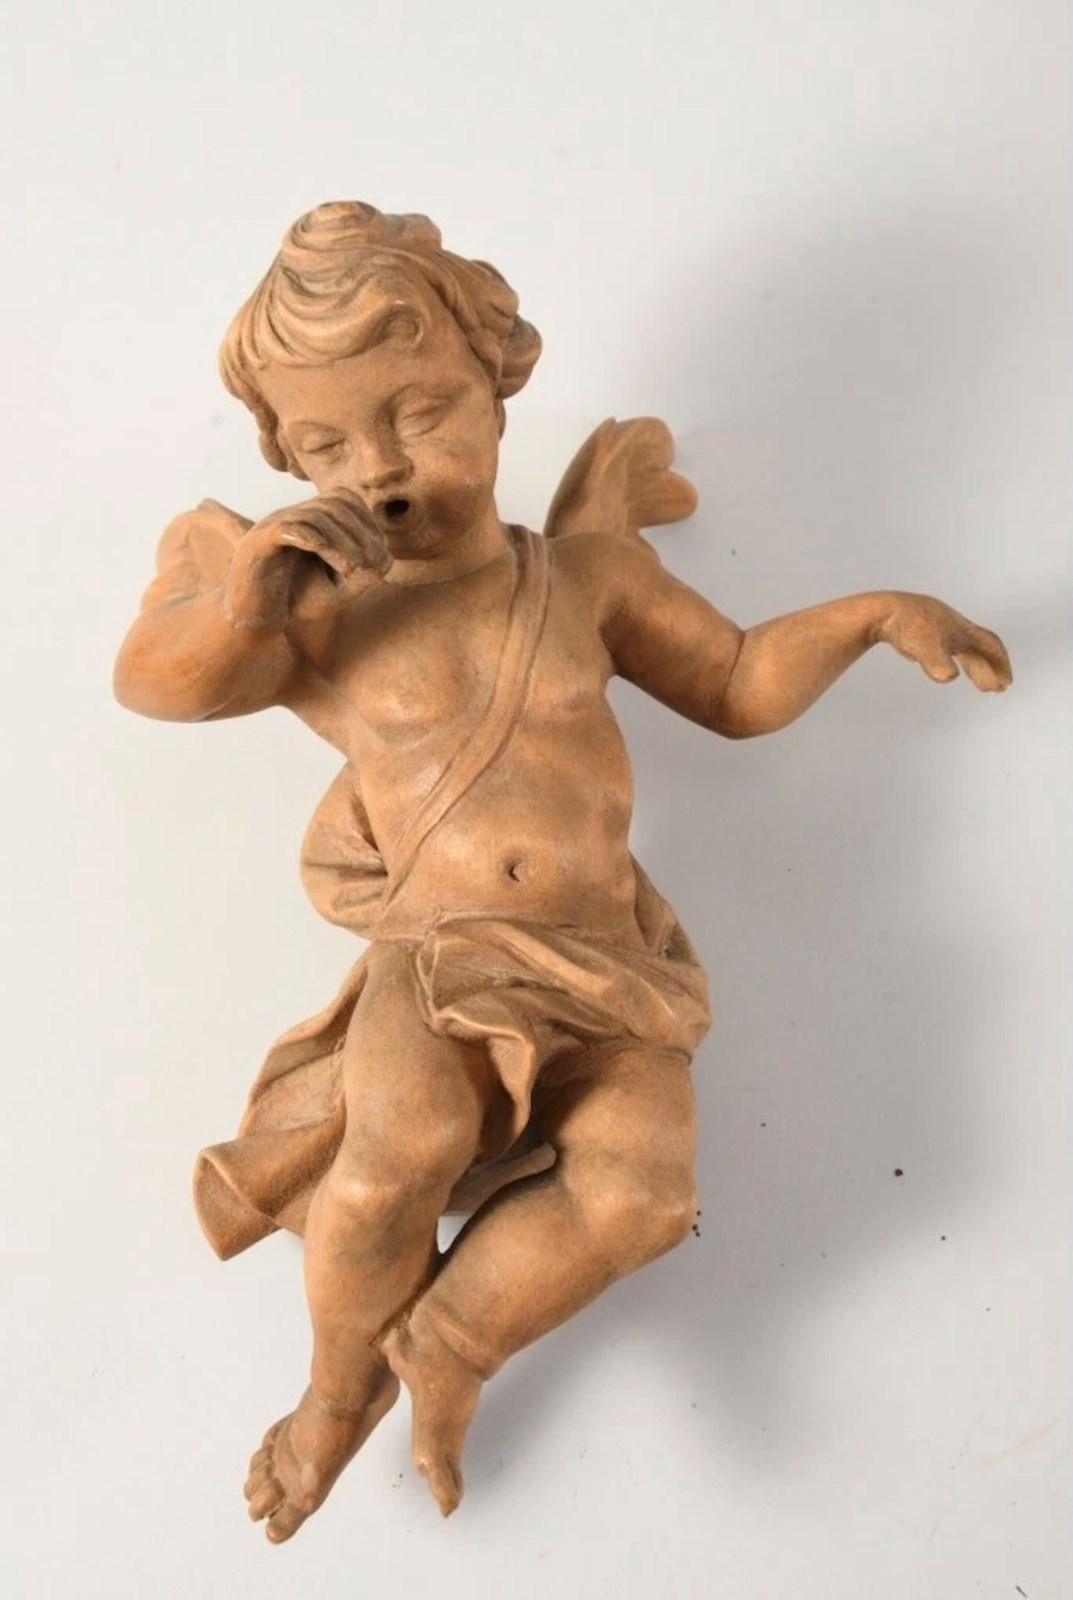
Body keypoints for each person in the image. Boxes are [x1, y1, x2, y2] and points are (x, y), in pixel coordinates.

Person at [114, 200, 1012, 1543]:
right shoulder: (323, 609)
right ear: (288, 460)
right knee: (397, 1153)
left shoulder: (587, 578)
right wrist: (250, 590)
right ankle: (335, 1391)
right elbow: (157, 683)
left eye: (420, 413)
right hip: (438, 956)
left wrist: (871, 614)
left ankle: (450, 1341)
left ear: (497, 385)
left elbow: (733, 681)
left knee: (644, 1192)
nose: (379, 470)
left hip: (605, 965)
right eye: (327, 447)